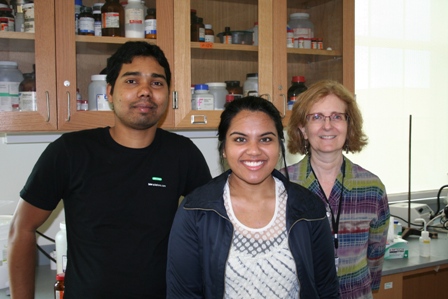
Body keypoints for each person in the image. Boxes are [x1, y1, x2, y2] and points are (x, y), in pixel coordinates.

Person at [8, 41, 212, 299]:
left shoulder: (183, 154)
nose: (145, 91)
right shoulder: (70, 152)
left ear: (168, 95)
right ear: (109, 91)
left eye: (157, 83)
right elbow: (22, 229)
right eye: (131, 81)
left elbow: (211, 230)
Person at [166, 96, 339, 298]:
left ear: (279, 145)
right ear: (223, 149)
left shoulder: (309, 208)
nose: (254, 151)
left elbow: (326, 290)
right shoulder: (195, 210)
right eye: (240, 139)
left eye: (266, 139)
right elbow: (183, 294)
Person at [283, 80, 390, 299]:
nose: (328, 125)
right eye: (316, 117)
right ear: (303, 129)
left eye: (337, 116)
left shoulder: (372, 187)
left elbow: (375, 256)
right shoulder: (283, 185)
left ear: (348, 125)